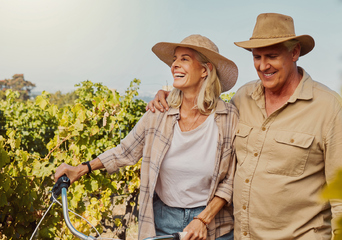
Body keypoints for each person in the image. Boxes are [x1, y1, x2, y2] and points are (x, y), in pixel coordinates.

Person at [146, 13, 342, 240]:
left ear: (295, 52)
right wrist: (172, 97)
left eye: (272, 56)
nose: (263, 65)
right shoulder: (243, 98)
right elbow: (203, 109)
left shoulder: (328, 108)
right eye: (257, 57)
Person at [55, 34, 239, 240]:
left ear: (205, 70)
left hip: (214, 225)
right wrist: (81, 169)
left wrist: (203, 219)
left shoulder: (228, 117)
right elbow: (125, 151)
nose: (175, 65)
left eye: (184, 59)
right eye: (174, 60)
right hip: (163, 222)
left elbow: (231, 180)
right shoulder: (159, 112)